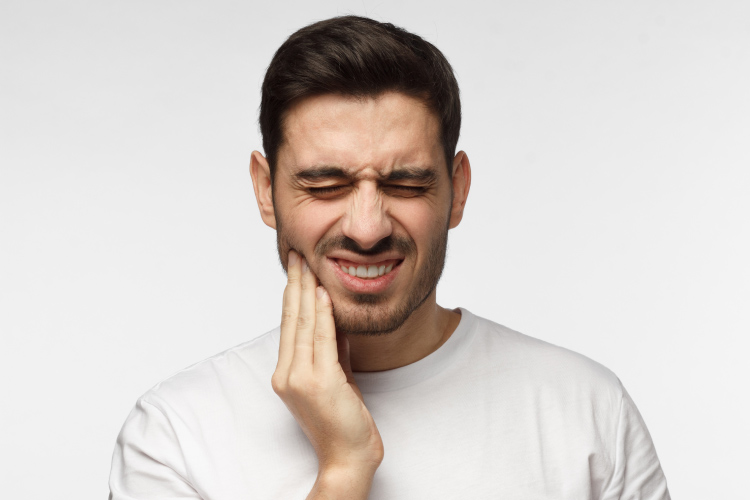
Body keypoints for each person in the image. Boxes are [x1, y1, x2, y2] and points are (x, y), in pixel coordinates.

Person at [109, 15, 670, 499]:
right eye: (326, 184)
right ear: (265, 190)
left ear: (458, 190)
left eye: (406, 184)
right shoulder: (175, 435)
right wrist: (344, 470)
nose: (368, 228)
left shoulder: (589, 412)